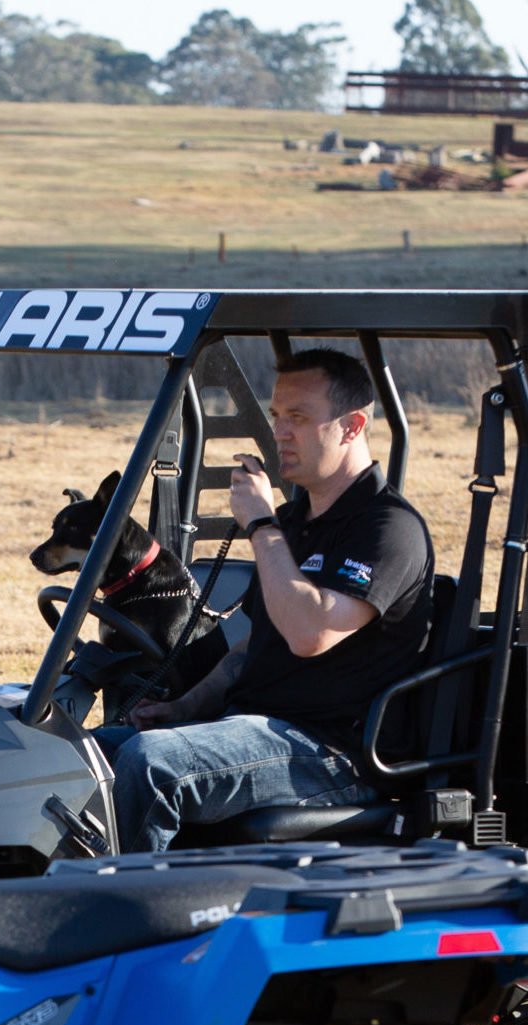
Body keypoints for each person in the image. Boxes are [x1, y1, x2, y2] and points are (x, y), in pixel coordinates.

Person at [98, 348, 434, 854]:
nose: (280, 431)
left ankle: (126, 916)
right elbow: (252, 646)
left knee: (153, 765)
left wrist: (260, 523)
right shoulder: (298, 522)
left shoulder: (388, 529)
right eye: (277, 416)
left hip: (330, 753)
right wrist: (182, 707)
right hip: (257, 730)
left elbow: (310, 634)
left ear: (351, 426)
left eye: (298, 418)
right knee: (86, 754)